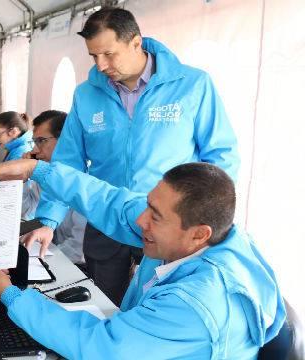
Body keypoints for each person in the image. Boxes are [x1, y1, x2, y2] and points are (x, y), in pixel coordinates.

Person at [25, 7, 240, 306]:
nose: (101, 65)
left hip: (169, 224)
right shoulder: (86, 95)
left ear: (136, 42)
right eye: (93, 56)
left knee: (158, 307)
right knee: (101, 303)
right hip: (105, 219)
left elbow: (220, 157)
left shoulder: (192, 85)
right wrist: (48, 219)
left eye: (109, 54)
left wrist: (204, 220)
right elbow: (67, 163)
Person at [0, 160, 285, 360]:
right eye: (149, 205)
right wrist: (37, 170)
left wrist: (10, 294)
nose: (140, 220)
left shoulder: (197, 304)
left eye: (155, 216)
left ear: (198, 234)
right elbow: (111, 201)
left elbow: (101, 347)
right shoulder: (199, 237)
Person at [22, 110, 86, 264]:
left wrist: (41, 258)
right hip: (54, 252)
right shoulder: (46, 172)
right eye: (34, 142)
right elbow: (27, 211)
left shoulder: (84, 181)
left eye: (41, 141)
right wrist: (23, 180)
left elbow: (78, 249)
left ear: (65, 140)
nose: (35, 150)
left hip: (76, 265)